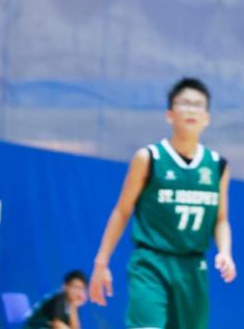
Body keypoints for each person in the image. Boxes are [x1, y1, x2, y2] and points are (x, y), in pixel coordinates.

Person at [89, 77, 236, 329]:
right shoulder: (149, 157)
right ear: (170, 114)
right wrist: (101, 263)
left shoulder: (217, 165)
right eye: (184, 103)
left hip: (193, 267)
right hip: (151, 263)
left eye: (198, 105)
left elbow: (221, 219)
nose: (191, 110)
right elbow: (122, 211)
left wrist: (225, 252)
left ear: (207, 118)